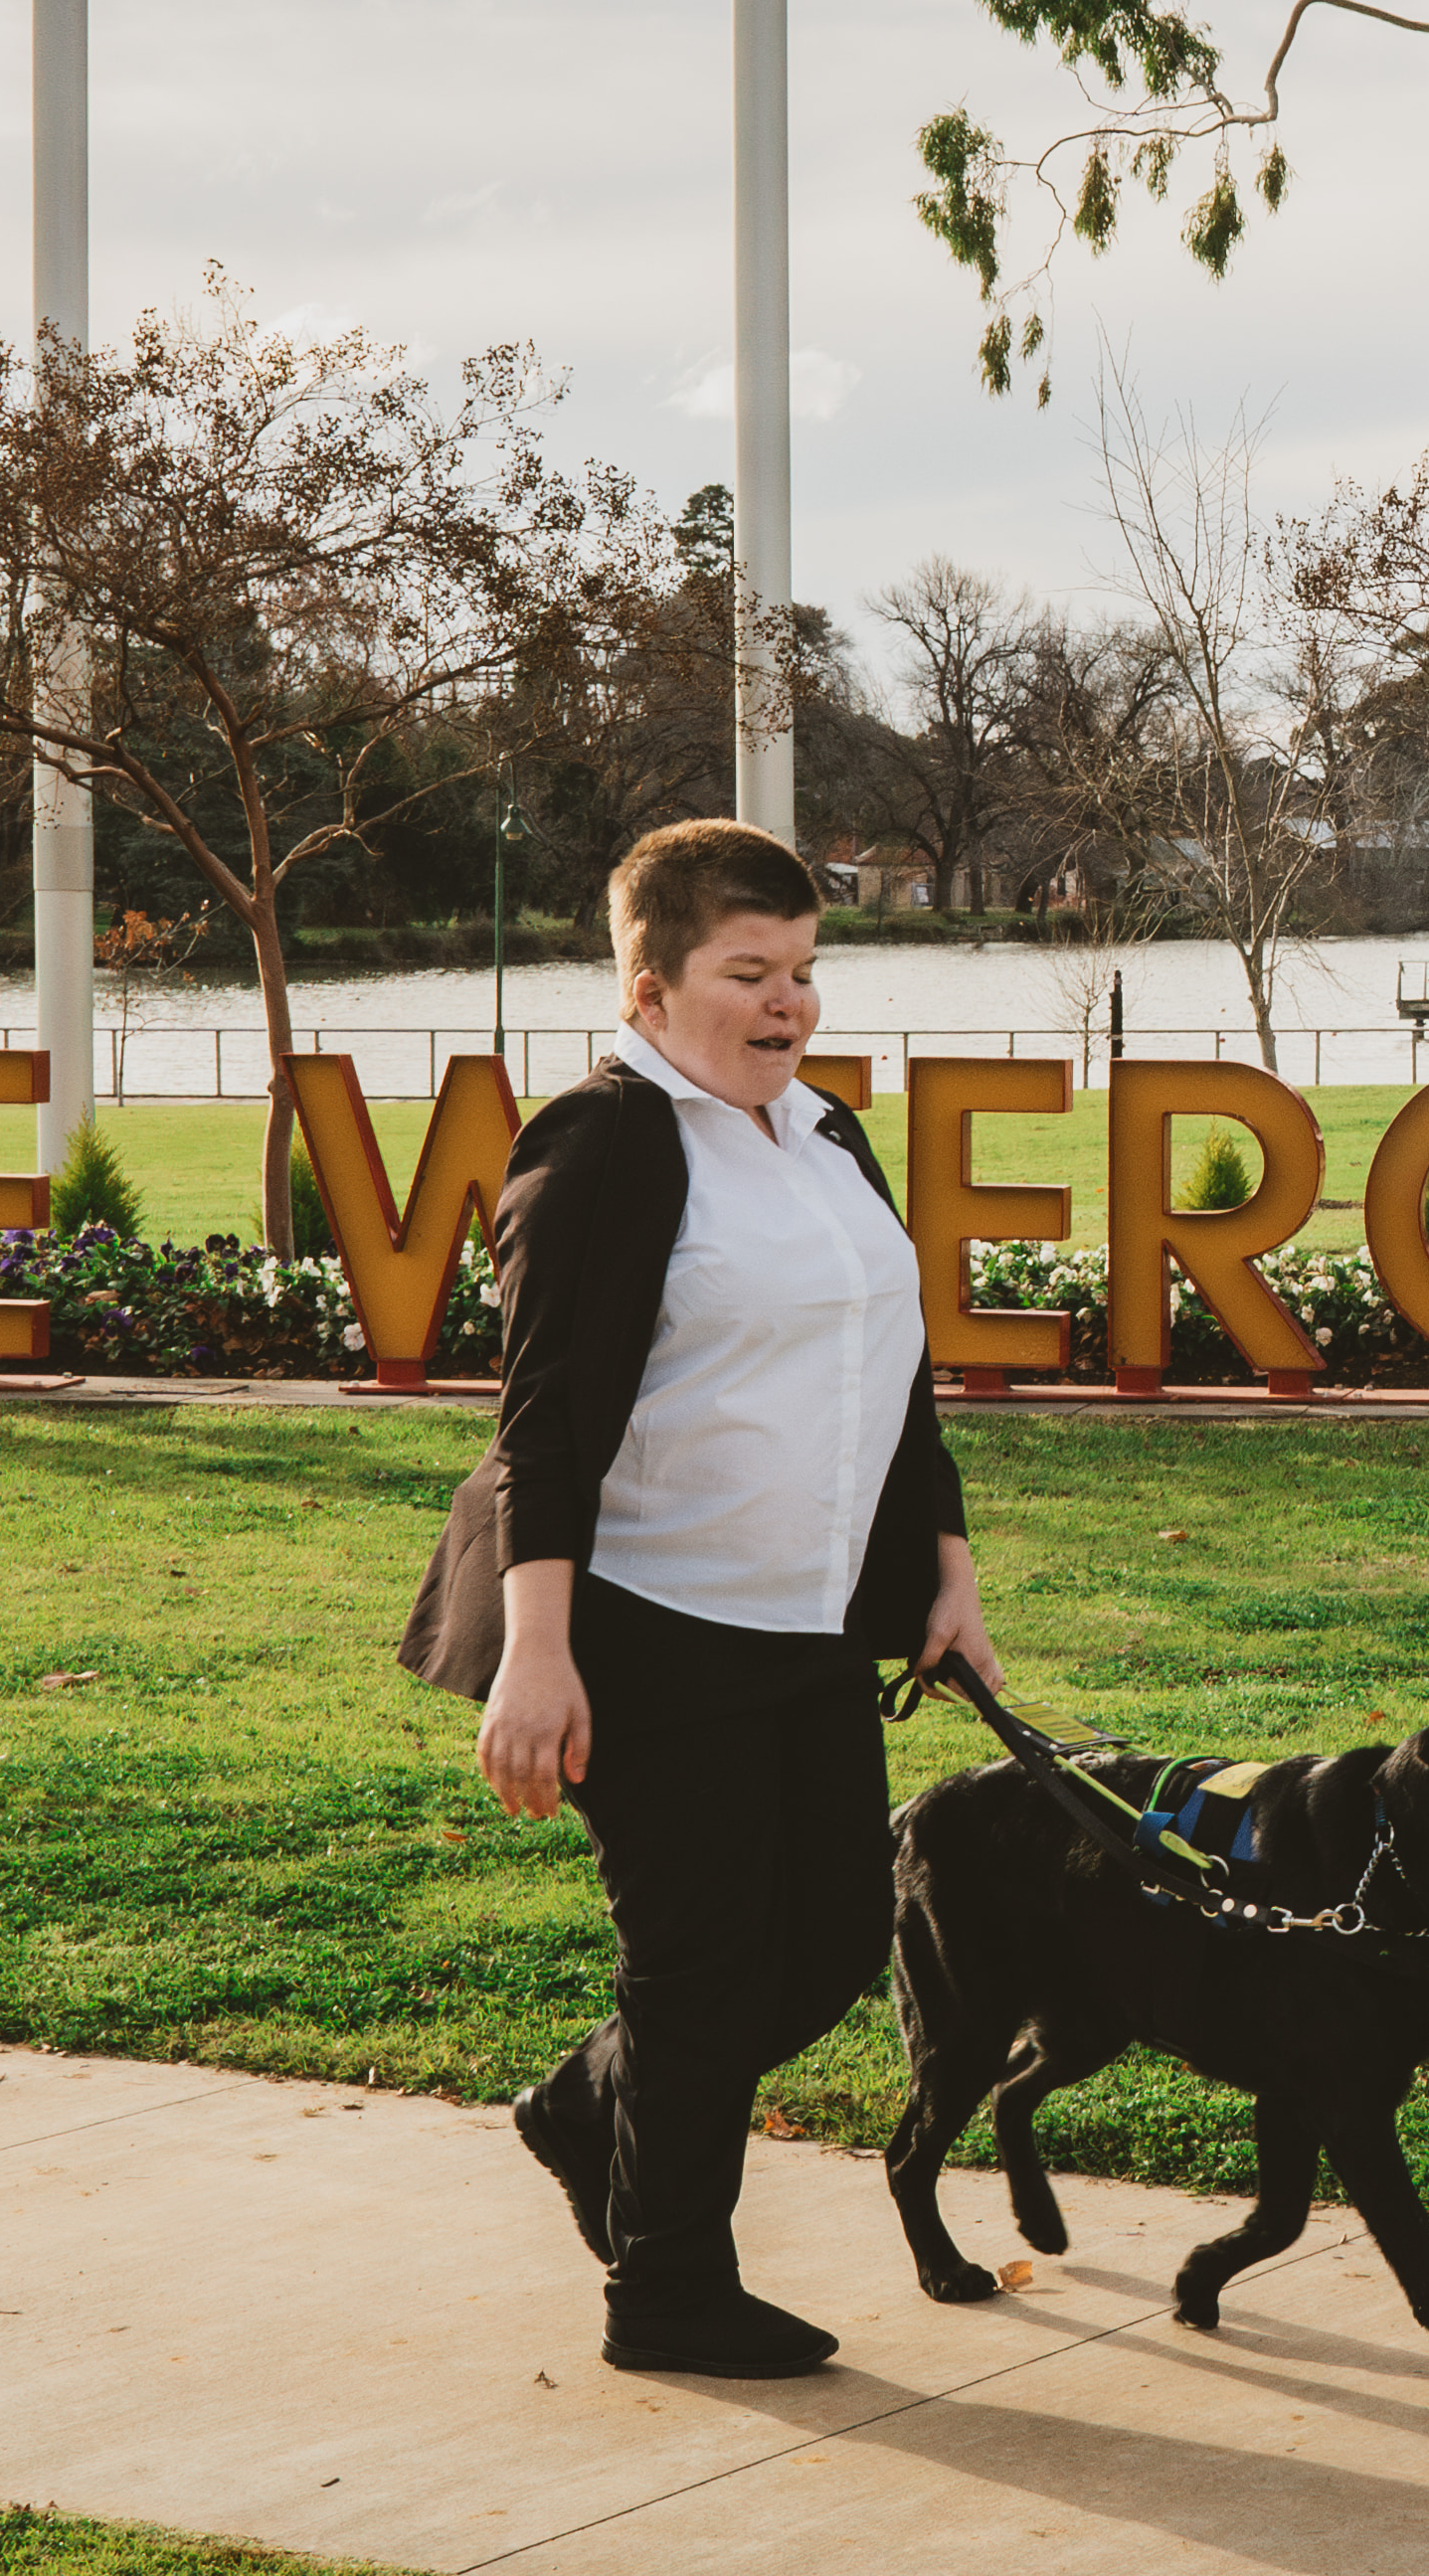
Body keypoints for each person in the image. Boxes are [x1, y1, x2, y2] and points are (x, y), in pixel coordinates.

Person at [403, 818, 1001, 2379]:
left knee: (821, 1951)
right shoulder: (602, 1149)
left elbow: (899, 1382)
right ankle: (667, 2289)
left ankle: (592, 2108)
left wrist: (946, 1571)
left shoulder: (828, 1137)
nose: (789, 1002)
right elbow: (545, 1423)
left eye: (804, 969)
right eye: (751, 972)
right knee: (702, 1963)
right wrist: (541, 1659)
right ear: (650, 987)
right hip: (645, 1628)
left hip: (807, 1626)